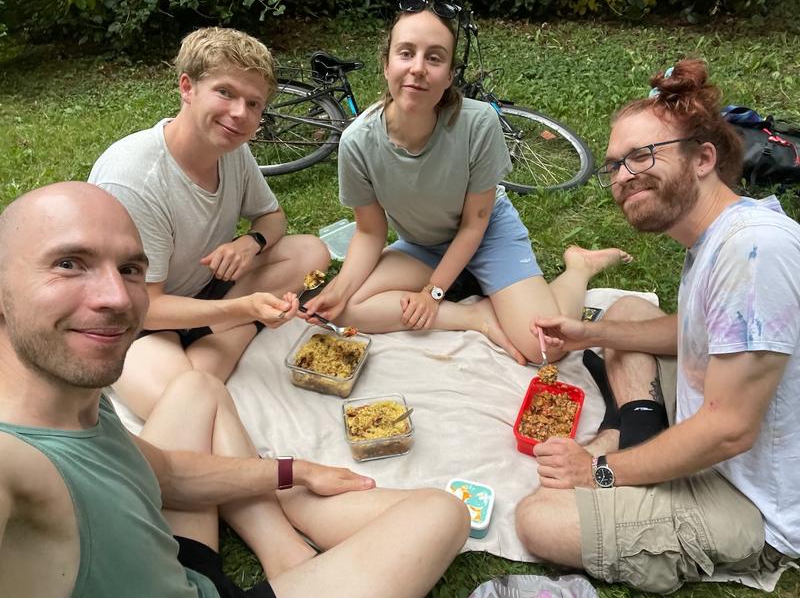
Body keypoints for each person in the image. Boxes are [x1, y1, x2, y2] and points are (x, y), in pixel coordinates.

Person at [0, 181, 470, 598]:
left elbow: (167, 476)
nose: (117, 297)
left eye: (129, 269)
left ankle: (283, 548)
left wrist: (296, 472)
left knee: (197, 387)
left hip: (178, 565)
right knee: (441, 514)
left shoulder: (75, 401)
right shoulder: (13, 460)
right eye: (68, 264)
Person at [515, 60, 800, 593]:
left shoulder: (754, 250)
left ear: (704, 159)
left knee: (541, 518)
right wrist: (592, 335)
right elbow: (694, 332)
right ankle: (637, 437)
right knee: (622, 313)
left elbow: (730, 429)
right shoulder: (717, 237)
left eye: (643, 156)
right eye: (615, 165)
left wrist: (597, 473)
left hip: (754, 498)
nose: (623, 177)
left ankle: (624, 455)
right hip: (717, 426)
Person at [302, 1, 631, 366]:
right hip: (425, 245)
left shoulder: (477, 124)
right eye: (406, 53)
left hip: (489, 234)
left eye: (434, 58)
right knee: (346, 310)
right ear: (386, 64)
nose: (417, 69)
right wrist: (339, 290)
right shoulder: (357, 142)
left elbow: (475, 223)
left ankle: (579, 267)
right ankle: (477, 317)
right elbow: (369, 233)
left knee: (547, 348)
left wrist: (433, 292)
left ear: (448, 75)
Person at [88, 27, 331, 420]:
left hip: (201, 290)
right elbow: (145, 307)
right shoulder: (136, 179)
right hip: (134, 319)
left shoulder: (231, 149)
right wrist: (243, 310)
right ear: (187, 87)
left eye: (254, 104)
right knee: (178, 406)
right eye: (226, 93)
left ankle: (215, 342)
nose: (240, 113)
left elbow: (272, 217)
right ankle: (232, 336)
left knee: (310, 252)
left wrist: (250, 242)